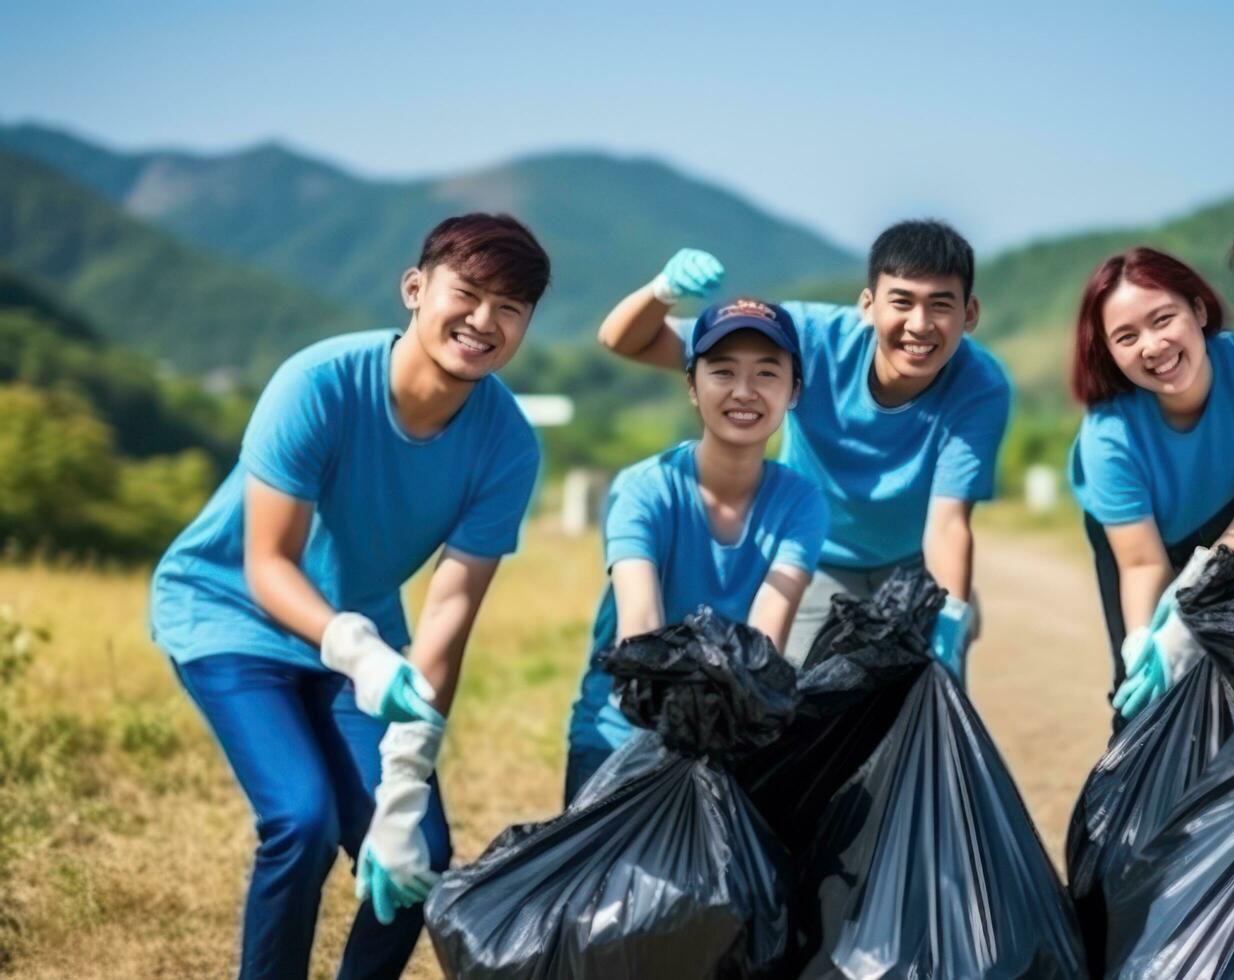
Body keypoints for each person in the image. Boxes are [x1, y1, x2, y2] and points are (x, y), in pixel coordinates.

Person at [148, 214, 549, 978]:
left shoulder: (507, 444)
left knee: (420, 852)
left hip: (359, 644)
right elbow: (268, 564)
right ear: (414, 288)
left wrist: (405, 779)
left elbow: (450, 611)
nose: (483, 321)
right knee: (301, 820)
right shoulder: (320, 383)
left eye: (510, 309)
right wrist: (358, 650)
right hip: (229, 614)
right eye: (466, 294)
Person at [596, 221, 1011, 677]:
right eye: (902, 302)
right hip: (813, 558)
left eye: (940, 305)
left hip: (913, 568)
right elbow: (625, 340)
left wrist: (949, 615)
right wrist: (663, 290)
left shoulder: (979, 386)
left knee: (922, 708)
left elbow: (949, 522)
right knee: (798, 706)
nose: (919, 325)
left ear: (969, 314)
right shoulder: (807, 339)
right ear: (868, 306)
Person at [566, 298, 828, 798]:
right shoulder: (645, 488)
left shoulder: (801, 502)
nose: (744, 392)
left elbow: (763, 642)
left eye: (767, 374)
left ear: (793, 391)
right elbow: (640, 633)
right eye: (723, 372)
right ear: (692, 385)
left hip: (733, 735)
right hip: (622, 734)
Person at [1065, 247, 1234, 725]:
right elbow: (1142, 562)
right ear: (1108, 351)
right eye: (1126, 336)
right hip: (1140, 537)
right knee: (1144, 683)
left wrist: (1194, 594)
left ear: (1199, 310)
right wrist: (1145, 641)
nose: (1152, 346)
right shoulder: (1107, 432)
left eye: (1163, 319)